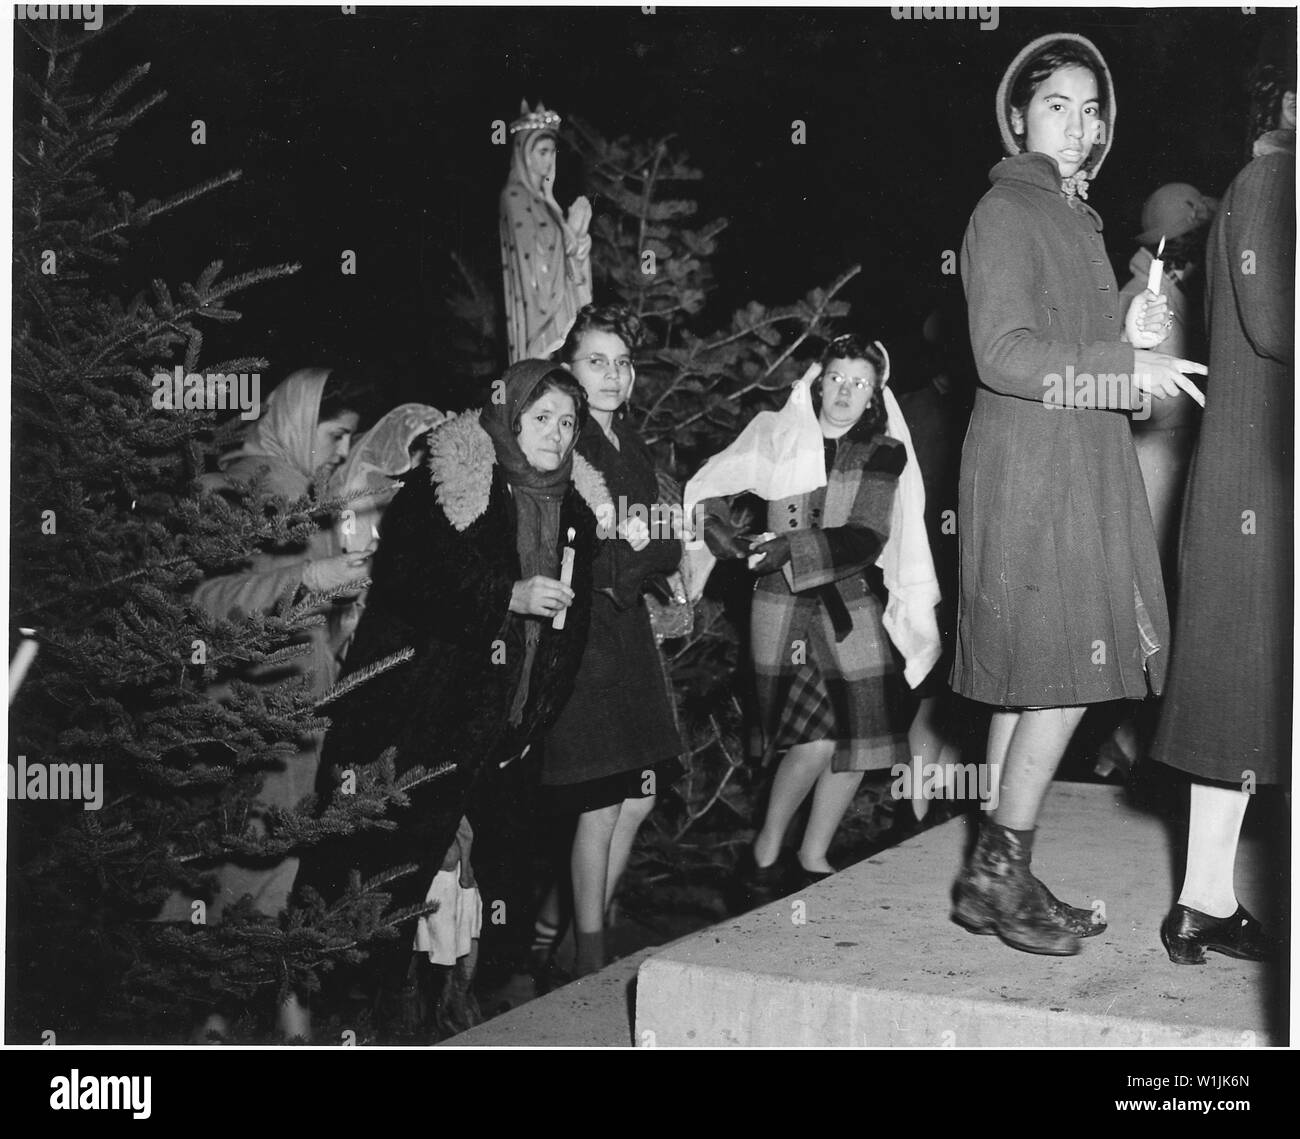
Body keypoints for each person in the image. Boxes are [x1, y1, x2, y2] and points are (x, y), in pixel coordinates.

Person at [951, 33, 1207, 956]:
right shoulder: (1006, 210)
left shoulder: (1075, 218)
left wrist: (1130, 333)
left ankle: (996, 871)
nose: (1077, 123)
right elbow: (1005, 354)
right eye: (1057, 104)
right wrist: (1119, 360)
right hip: (1032, 472)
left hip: (1071, 463)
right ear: (1019, 114)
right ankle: (997, 870)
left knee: (1029, 683)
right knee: (1061, 677)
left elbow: (1105, 368)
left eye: (1091, 108)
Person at [301, 360, 607, 1033]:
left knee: (475, 880)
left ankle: (455, 1009)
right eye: (541, 418)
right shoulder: (451, 487)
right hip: (419, 718)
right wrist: (506, 596)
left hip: (504, 730)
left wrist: (535, 715)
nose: (556, 433)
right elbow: (412, 577)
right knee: (397, 874)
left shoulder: (575, 510)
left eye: (567, 422)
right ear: (509, 417)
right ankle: (369, 1014)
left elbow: (572, 629)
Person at [162, 366, 371, 1039]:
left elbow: (309, 622)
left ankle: (271, 1017)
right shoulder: (230, 490)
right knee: (244, 873)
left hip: (301, 717)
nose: (342, 450)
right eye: (336, 433)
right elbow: (206, 602)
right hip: (248, 719)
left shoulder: (311, 500)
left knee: (279, 871)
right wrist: (307, 575)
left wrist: (344, 606)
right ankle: (223, 1019)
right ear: (299, 415)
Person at [693, 335, 935, 906]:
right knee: (814, 741)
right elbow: (708, 485)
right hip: (781, 609)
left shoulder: (882, 452)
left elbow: (866, 536)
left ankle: (813, 855)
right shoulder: (775, 434)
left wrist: (790, 548)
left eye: (860, 383)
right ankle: (766, 851)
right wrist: (715, 524)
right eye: (837, 378)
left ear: (874, 394)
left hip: (848, 607)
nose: (845, 392)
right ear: (817, 380)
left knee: (863, 738)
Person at [1150, 49, 1294, 965]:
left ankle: (1203, 897)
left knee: (1243, 702)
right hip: (1261, 491)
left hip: (1258, 484)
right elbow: (1278, 323)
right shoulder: (1275, 180)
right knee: (1247, 689)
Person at [537, 304, 685, 978]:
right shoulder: (565, 440)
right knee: (599, 800)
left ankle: (567, 928)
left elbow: (665, 536)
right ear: (568, 367)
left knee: (642, 791)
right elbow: (587, 550)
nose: (613, 374)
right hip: (584, 636)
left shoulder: (630, 441)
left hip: (626, 635)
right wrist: (639, 545)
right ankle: (588, 952)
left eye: (622, 362)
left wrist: (645, 543)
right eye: (596, 360)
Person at [500, 101, 593, 362]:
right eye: (542, 151)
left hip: (560, 302)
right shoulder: (514, 196)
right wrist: (569, 234)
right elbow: (533, 257)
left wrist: (579, 233)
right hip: (539, 308)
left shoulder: (547, 202)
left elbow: (565, 248)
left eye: (552, 152)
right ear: (525, 154)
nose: (548, 159)